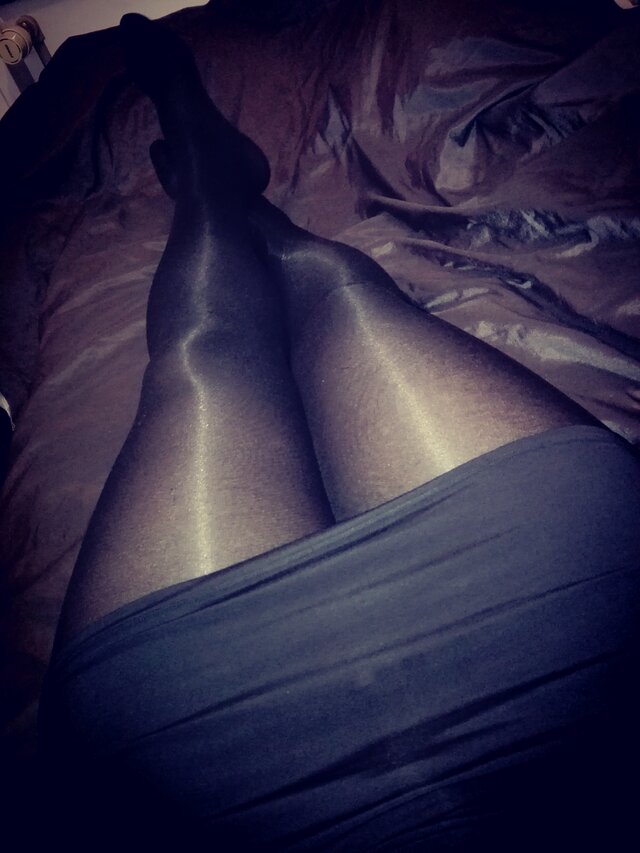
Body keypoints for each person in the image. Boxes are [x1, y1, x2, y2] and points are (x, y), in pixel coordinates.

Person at [38, 13, 640, 851]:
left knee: (209, 353)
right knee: (336, 298)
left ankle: (209, 172)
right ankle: (229, 189)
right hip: (565, 623)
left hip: (197, 739)